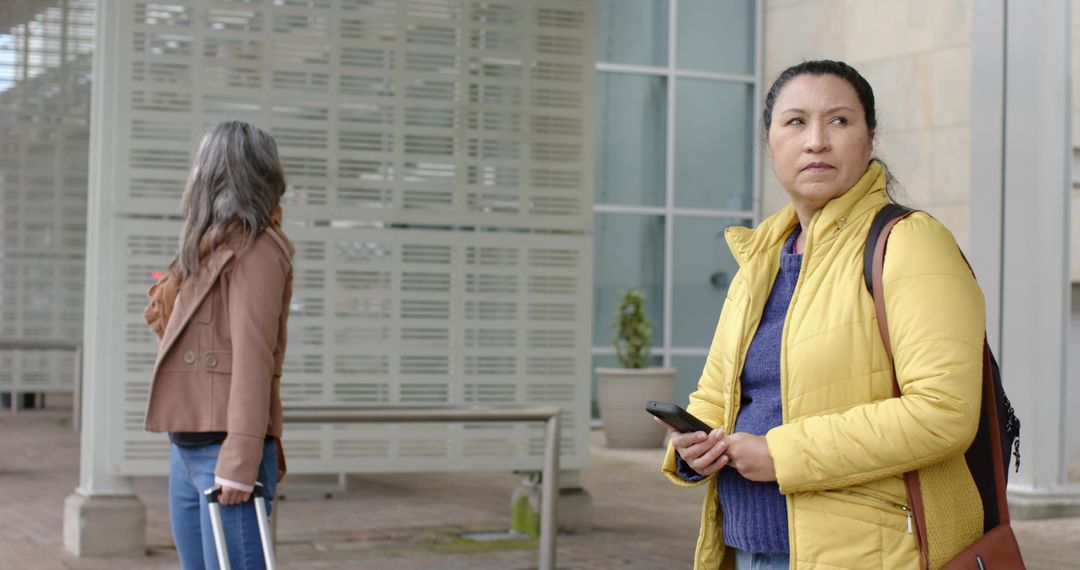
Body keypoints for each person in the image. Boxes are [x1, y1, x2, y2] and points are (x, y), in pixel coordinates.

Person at [659, 60, 986, 570]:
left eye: (839, 121)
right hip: (748, 546)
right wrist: (690, 447)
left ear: (870, 138)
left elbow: (944, 412)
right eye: (795, 122)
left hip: (865, 552)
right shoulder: (761, 258)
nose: (816, 141)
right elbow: (717, 395)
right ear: (769, 141)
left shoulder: (909, 242)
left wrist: (781, 454)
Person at [143, 121, 294, 569]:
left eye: (201, 165)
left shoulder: (258, 251)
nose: (193, 175)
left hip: (224, 453)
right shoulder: (208, 247)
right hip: (187, 448)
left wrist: (240, 460)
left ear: (224, 174)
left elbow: (253, 360)